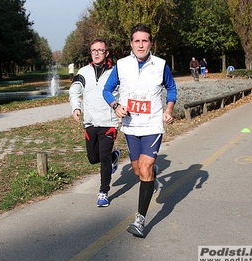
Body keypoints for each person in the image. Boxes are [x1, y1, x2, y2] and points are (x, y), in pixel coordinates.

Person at [103, 23, 177, 237]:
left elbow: (171, 88)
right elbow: (107, 90)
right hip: (130, 125)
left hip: (153, 124)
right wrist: (116, 106)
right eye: (137, 41)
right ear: (131, 43)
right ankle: (151, 177)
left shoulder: (161, 65)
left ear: (151, 43)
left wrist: (169, 108)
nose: (141, 45)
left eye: (145, 40)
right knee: (138, 170)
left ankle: (140, 220)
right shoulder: (121, 65)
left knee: (145, 167)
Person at [69, 38, 120, 207]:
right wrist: (76, 107)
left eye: (100, 50)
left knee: (103, 156)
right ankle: (115, 157)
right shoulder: (83, 72)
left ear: (107, 53)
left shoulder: (115, 72)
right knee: (93, 158)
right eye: (93, 50)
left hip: (109, 122)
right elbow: (74, 91)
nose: (97, 53)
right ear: (90, 53)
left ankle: (103, 192)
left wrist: (120, 111)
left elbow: (124, 92)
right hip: (90, 122)